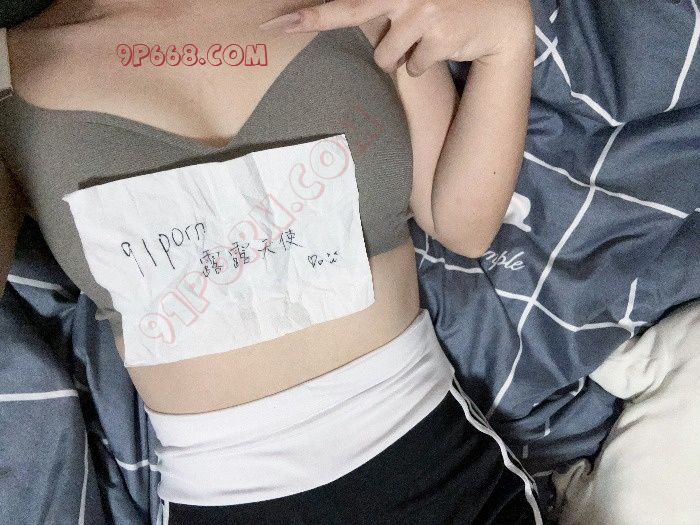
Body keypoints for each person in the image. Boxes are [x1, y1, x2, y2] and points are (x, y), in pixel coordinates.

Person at [0, 0, 540, 523]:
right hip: (224, 498)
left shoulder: (361, 4)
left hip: (435, 465)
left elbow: (462, 225)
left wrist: (508, 40)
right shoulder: (11, 69)